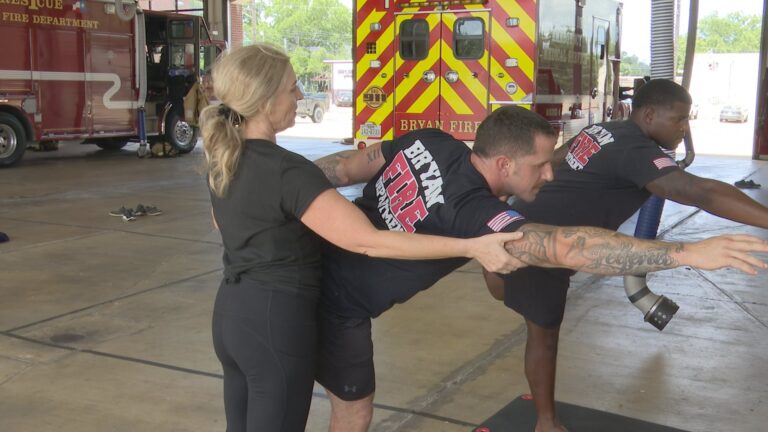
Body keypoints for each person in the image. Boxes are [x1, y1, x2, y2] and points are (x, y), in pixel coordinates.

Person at [312, 104, 768, 432]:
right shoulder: (479, 215)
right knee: (350, 414)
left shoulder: (427, 140)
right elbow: (567, 249)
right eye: (539, 166)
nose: (550, 175)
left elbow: (346, 167)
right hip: (336, 306)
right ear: (505, 163)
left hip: (306, 264)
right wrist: (687, 254)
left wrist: (277, 182)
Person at [199, 43, 524, 432]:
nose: (300, 96)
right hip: (274, 323)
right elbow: (368, 241)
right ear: (265, 100)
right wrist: (472, 246)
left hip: (231, 316)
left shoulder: (226, 160)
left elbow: (223, 224)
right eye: (292, 88)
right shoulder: (289, 172)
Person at [490, 79, 768, 432]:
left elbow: (558, 159)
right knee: (544, 334)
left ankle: (498, 275)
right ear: (650, 115)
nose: (685, 129)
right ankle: (546, 422)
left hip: (526, 225)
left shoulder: (604, 129)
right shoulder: (633, 149)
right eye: (679, 120)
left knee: (527, 309)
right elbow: (699, 192)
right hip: (544, 245)